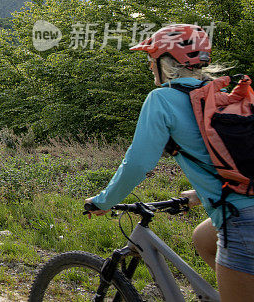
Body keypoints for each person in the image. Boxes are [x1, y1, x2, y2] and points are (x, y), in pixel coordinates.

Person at [86, 24, 254, 301]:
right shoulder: (219, 97)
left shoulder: (162, 99)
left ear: (166, 63)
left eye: (151, 60)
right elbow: (231, 160)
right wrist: (199, 195)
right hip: (241, 207)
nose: (150, 67)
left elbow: (138, 163)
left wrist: (102, 201)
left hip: (242, 223)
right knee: (202, 237)